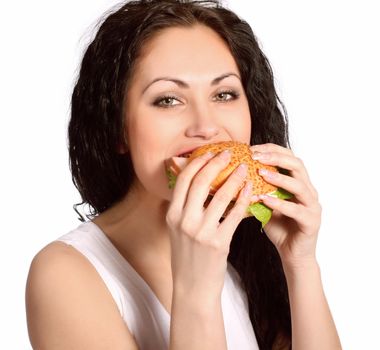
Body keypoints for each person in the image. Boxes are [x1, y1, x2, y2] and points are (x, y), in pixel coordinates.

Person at [25, 0, 342, 349]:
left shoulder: (245, 246)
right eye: (168, 100)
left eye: (224, 94)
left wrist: (300, 264)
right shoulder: (64, 274)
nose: (207, 127)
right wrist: (196, 289)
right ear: (117, 128)